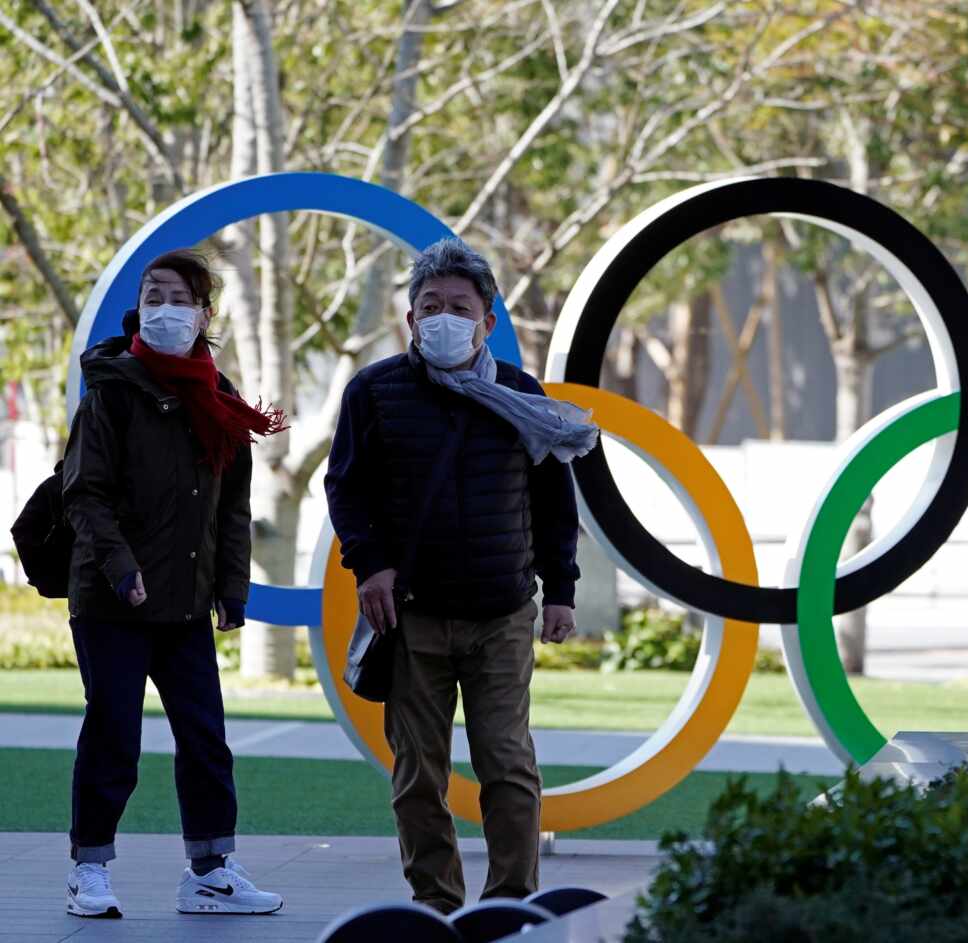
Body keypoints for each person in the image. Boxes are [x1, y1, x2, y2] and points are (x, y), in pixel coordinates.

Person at [325, 238, 597, 914]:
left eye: (459, 307)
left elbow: (554, 503)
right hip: (412, 615)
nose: (444, 317)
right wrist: (371, 563)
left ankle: (511, 905)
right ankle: (437, 906)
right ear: (411, 319)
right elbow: (347, 489)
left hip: (503, 612)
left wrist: (560, 591)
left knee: (506, 762)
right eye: (430, 306)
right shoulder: (373, 391)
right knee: (419, 773)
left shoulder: (523, 397)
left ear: (488, 321)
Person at [62, 249, 287, 918]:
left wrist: (232, 589)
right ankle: (89, 869)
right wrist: (122, 568)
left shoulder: (219, 403)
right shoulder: (111, 390)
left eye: (178, 297)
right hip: (112, 601)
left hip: (185, 602)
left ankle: (211, 871)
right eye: (152, 294)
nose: (163, 307)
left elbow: (232, 507)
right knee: (114, 735)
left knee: (206, 738)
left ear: (203, 313)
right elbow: (85, 493)